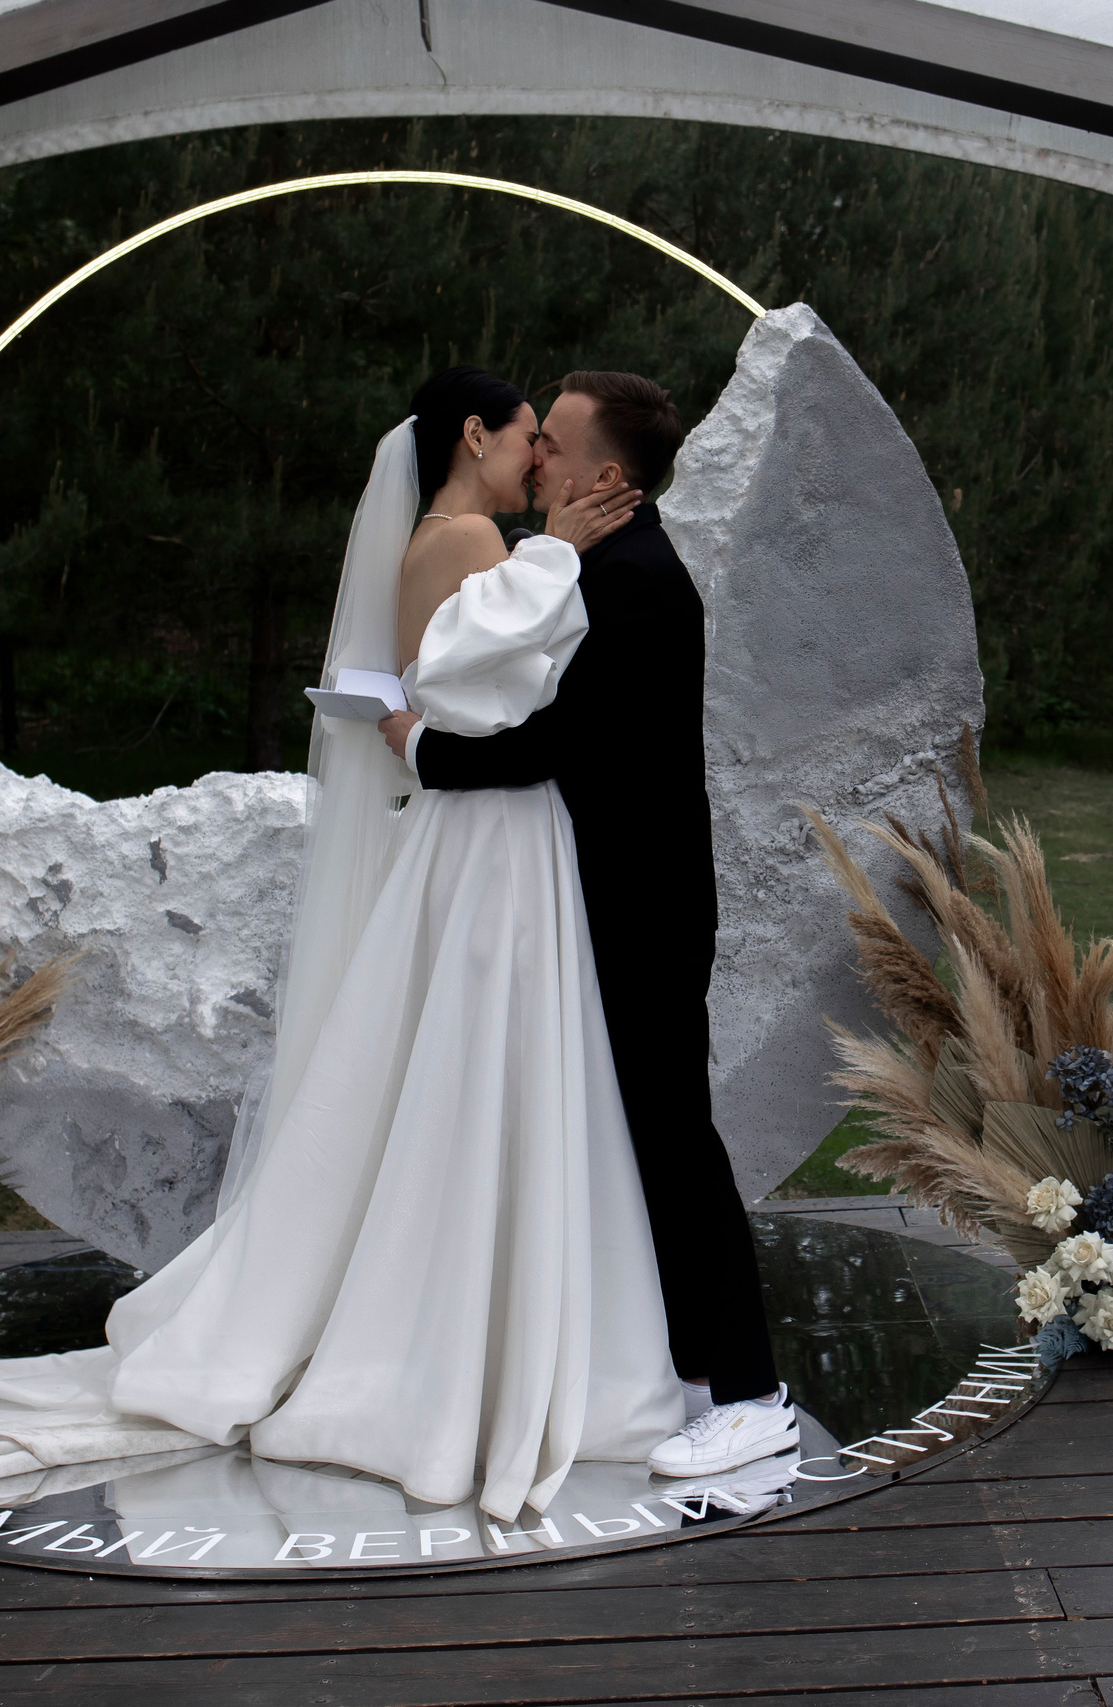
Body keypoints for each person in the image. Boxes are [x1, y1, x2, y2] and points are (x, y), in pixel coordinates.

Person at [0, 367, 686, 1522]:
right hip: (491, 837)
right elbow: (487, 685)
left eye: (552, 444)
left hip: (497, 833)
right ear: (475, 437)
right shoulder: (479, 541)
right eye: (531, 437)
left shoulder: (473, 534)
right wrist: (560, 561)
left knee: (475, 1064)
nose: (540, 459)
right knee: (479, 1065)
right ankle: (459, 1335)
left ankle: (476, 1311)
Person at [382, 372, 795, 1481]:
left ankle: (754, 1395)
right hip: (599, 896)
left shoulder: (637, 581)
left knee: (672, 1138)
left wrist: (417, 745)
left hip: (642, 907)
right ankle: (671, 1359)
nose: (536, 462)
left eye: (554, 445)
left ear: (606, 473)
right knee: (634, 1137)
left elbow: (545, 745)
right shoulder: (595, 562)